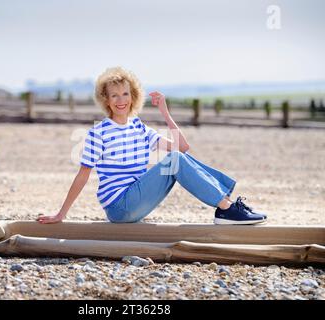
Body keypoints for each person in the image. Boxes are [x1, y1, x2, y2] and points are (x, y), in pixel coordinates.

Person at [37, 67, 267, 225]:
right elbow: (83, 175)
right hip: (120, 207)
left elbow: (182, 147)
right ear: (106, 100)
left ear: (133, 96)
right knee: (174, 161)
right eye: (114, 95)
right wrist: (61, 214)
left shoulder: (140, 128)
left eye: (125, 93)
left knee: (177, 158)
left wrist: (165, 112)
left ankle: (226, 205)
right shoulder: (99, 132)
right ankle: (226, 208)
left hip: (137, 202)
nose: (121, 100)